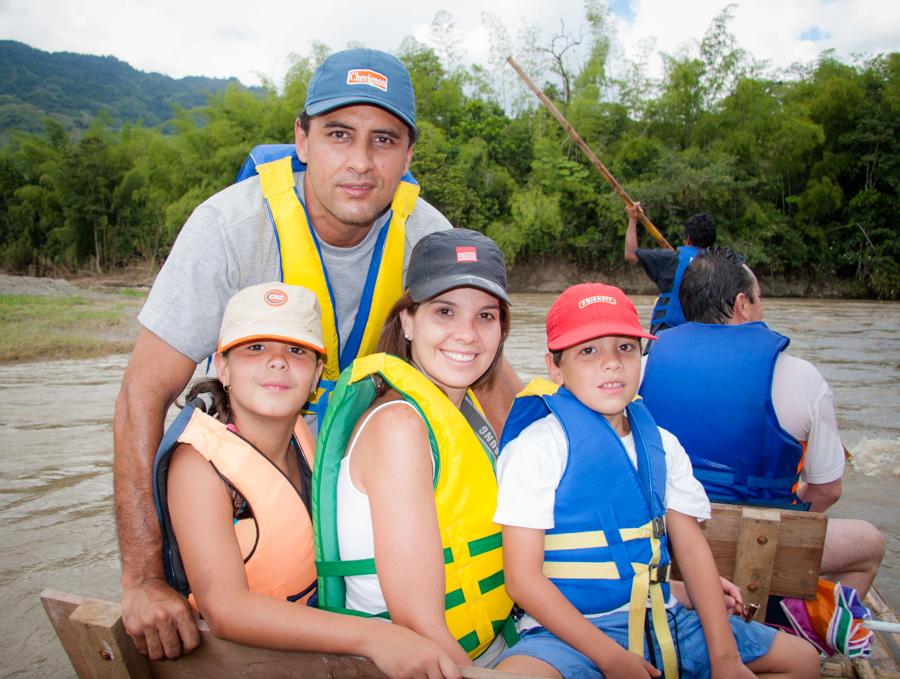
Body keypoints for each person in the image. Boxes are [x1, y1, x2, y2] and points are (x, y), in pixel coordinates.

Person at [113, 48, 522, 658]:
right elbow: (141, 396)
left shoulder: (430, 239)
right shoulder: (227, 228)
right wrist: (143, 576)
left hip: (359, 502)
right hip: (254, 501)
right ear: (301, 139)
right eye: (338, 134)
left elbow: (494, 384)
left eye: (384, 140)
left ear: (409, 156)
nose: (360, 162)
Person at [492, 282, 819, 679]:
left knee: (802, 661)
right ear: (555, 367)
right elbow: (523, 581)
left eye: (625, 348)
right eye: (589, 351)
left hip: (662, 618)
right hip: (567, 631)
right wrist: (612, 659)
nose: (612, 363)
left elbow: (691, 549)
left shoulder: (661, 444)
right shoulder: (536, 449)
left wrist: (725, 660)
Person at [153, 282, 459, 678]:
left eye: (296, 351)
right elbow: (225, 608)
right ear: (223, 367)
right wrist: (376, 637)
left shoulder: (302, 434)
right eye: (256, 348)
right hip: (238, 662)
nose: (277, 362)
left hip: (313, 650)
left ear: (316, 374)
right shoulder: (198, 463)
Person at [312, 229, 515, 668]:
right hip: (415, 661)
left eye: (485, 316)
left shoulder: (465, 407)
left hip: (489, 641)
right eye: (445, 311)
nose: (468, 335)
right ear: (407, 321)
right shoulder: (400, 425)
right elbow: (420, 622)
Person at [640, 248, 886, 597]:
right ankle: (814, 630)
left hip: (664, 543)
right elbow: (826, 490)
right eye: (759, 298)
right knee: (870, 543)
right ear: (742, 303)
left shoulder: (641, 367)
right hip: (760, 547)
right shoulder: (801, 377)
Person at [623, 203, 717, 335]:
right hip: (703, 336)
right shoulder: (721, 267)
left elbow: (631, 254)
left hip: (668, 333)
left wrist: (632, 219)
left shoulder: (672, 260)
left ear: (688, 238)